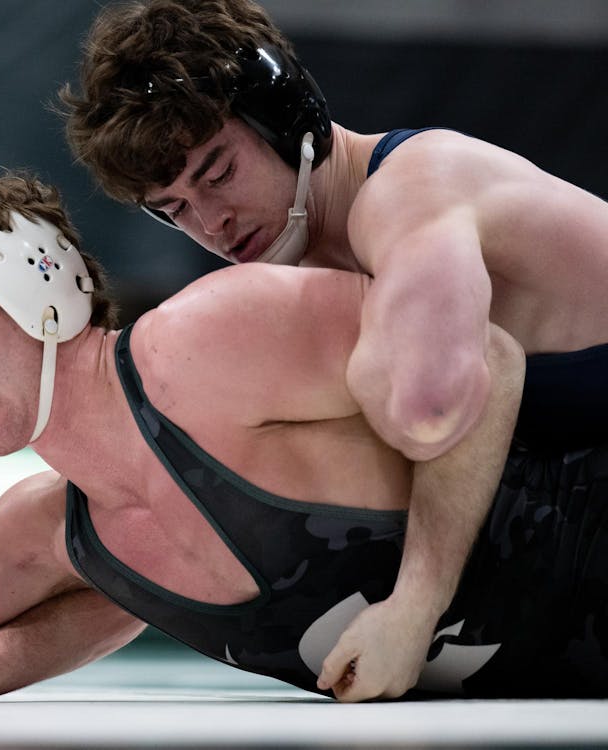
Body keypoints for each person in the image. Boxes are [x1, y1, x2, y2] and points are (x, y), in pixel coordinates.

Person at [0, 160, 606, 704]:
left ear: (41, 288)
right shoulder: (58, 530)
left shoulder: (204, 342)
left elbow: (483, 355)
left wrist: (417, 599)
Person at [58, 0, 608, 695]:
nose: (210, 222)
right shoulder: (318, 277)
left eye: (218, 172)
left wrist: (414, 608)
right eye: (174, 210)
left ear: (290, 115)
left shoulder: (414, 190)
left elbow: (432, 405)